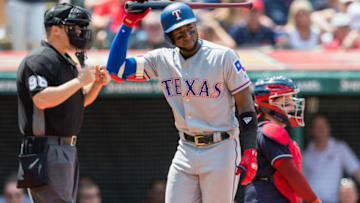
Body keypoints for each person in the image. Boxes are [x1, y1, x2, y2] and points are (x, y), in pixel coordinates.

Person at [106, 2, 258, 202]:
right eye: (179, 32)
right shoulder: (161, 60)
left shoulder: (223, 56)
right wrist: (128, 23)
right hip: (186, 148)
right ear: (169, 37)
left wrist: (250, 149)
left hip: (221, 147)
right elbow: (116, 70)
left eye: (189, 28)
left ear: (196, 25)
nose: (187, 35)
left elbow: (246, 107)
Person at [16, 3, 110, 202]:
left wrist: (96, 85)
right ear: (56, 30)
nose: (80, 32)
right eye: (74, 27)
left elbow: (79, 101)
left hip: (66, 148)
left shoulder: (65, 60)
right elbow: (41, 99)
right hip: (46, 147)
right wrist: (79, 81)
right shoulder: (39, 59)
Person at [244, 76, 321, 203]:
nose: (292, 105)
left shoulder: (260, 129)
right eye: (286, 100)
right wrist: (314, 200)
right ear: (269, 102)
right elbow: (291, 174)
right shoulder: (272, 130)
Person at [303, 114, 360, 203]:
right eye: (317, 126)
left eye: (323, 125)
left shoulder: (340, 148)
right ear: (312, 130)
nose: (320, 129)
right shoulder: (306, 154)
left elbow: (357, 171)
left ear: (328, 127)